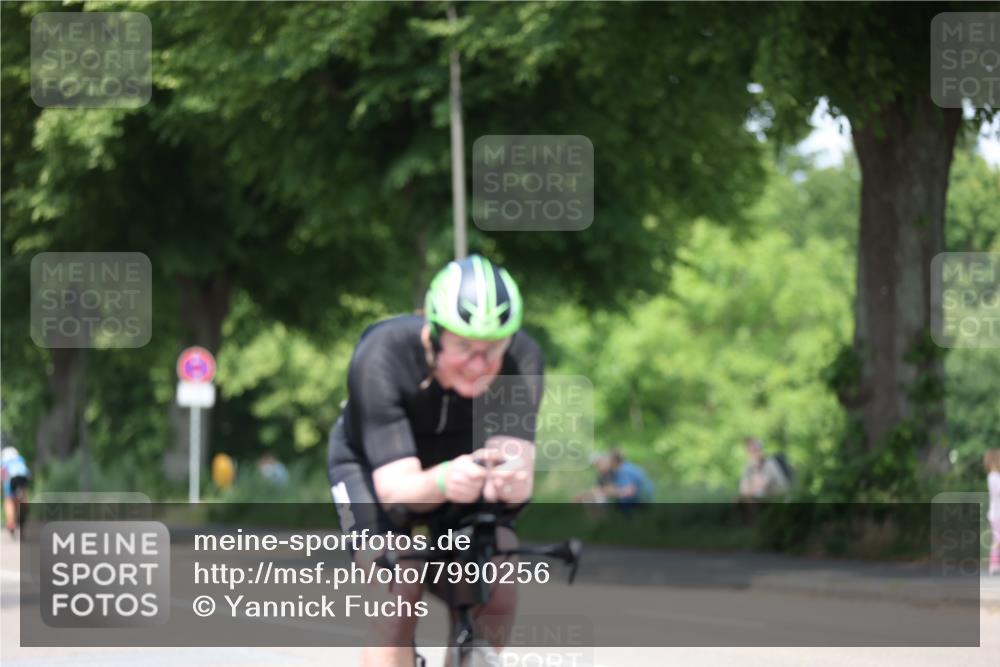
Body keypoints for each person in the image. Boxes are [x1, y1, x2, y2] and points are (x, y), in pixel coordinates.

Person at [327, 254, 543, 667]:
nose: (479, 365)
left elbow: (520, 472)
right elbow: (397, 493)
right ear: (434, 333)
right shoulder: (382, 353)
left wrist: (511, 481)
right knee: (396, 591)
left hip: (461, 466)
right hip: (375, 468)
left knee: (498, 582)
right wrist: (443, 481)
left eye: (492, 349)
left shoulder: (522, 359)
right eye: (463, 347)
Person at [1, 446, 31, 536]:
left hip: (11, 479)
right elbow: (27, 473)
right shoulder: (20, 460)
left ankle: (11, 522)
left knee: (9, 501)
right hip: (23, 478)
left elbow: (2, 476)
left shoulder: (4, 462)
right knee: (23, 497)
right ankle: (24, 506)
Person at [985, 449, 1000, 576]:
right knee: (997, 540)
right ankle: (994, 565)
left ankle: (995, 564)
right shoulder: (993, 476)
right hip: (997, 515)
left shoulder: (995, 476)